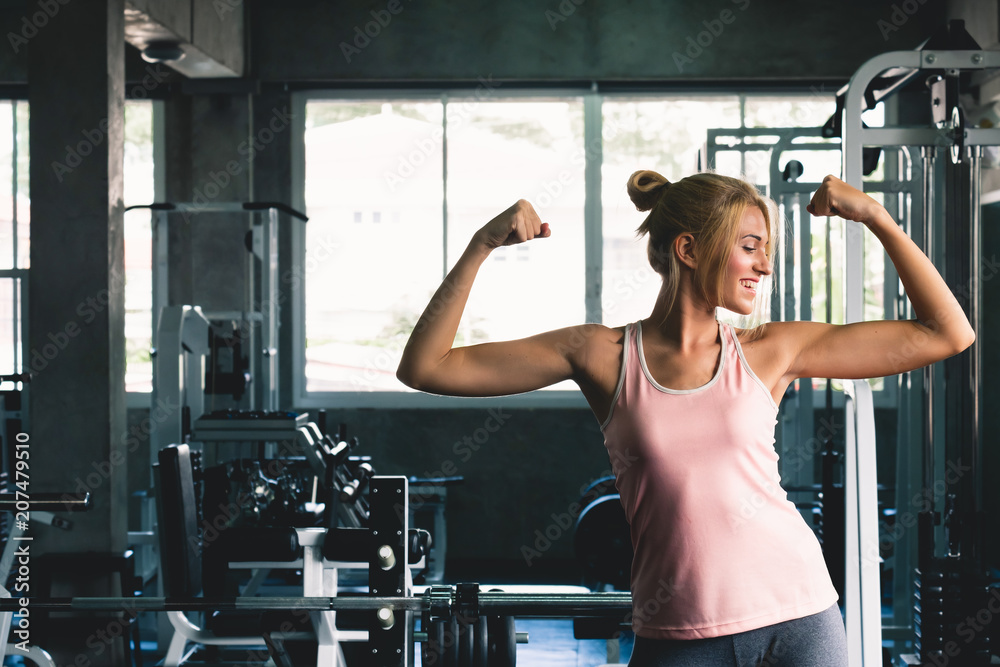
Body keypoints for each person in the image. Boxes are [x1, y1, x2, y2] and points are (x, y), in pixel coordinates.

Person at [396, 171, 975, 666]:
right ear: (689, 249)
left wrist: (875, 215)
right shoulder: (601, 355)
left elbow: (947, 333)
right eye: (750, 246)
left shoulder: (770, 350)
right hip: (678, 632)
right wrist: (480, 245)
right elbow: (426, 367)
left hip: (800, 616)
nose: (765, 267)